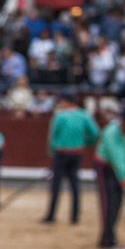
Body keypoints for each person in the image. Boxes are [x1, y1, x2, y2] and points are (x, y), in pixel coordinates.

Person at [41, 91, 99, 224]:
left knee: (56, 186)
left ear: (65, 101)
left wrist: (51, 154)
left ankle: (51, 215)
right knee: (75, 185)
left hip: (61, 154)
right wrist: (86, 144)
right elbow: (95, 133)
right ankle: (74, 217)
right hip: (77, 153)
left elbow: (52, 136)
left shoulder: (59, 116)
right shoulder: (83, 115)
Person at [93, 105, 125, 249]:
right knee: (108, 201)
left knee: (117, 202)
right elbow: (118, 160)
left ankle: (109, 236)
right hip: (105, 167)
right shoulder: (111, 133)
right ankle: (107, 239)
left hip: (119, 168)